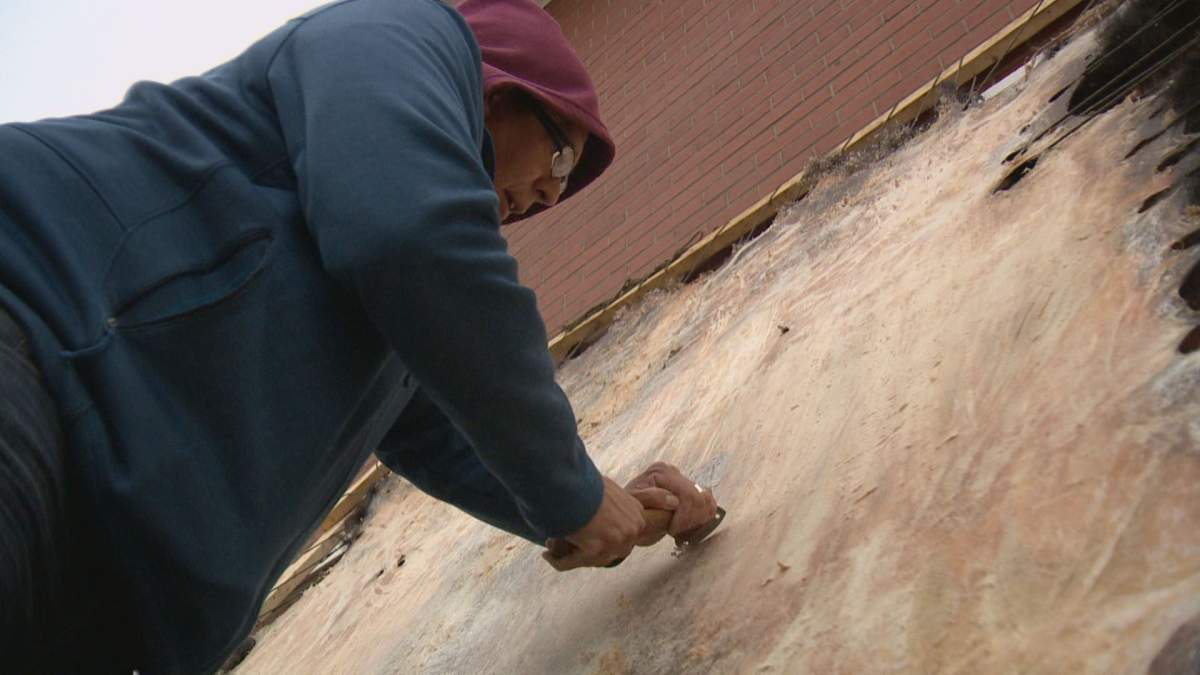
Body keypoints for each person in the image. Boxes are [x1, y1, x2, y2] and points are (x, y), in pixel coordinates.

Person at [0, 0, 717, 671]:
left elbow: (457, 445)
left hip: (104, 590)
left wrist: (611, 508)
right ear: (500, 89)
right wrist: (575, 496)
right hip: (32, 327)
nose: (549, 195)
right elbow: (413, 236)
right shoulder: (407, 32)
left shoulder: (387, 319)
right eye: (561, 157)